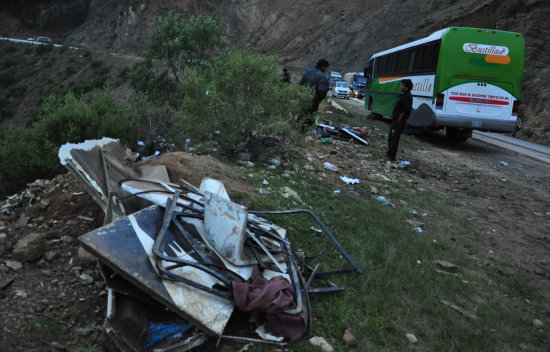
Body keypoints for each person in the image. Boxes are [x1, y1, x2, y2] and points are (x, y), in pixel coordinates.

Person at [387, 79, 413, 161]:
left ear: (407, 87)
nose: (400, 86)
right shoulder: (403, 94)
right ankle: (389, 152)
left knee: (395, 138)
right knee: (391, 137)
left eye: (402, 85)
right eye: (401, 85)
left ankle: (392, 156)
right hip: (395, 119)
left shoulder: (407, 96)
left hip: (399, 121)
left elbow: (406, 110)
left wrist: (399, 118)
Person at [299, 59, 330, 127]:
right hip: (313, 101)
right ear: (322, 67)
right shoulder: (321, 76)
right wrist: (318, 99)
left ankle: (297, 129)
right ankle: (304, 133)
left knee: (301, 116)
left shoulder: (308, 72)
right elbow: (322, 92)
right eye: (326, 68)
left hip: (302, 99)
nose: (326, 70)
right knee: (309, 119)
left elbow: (300, 84)